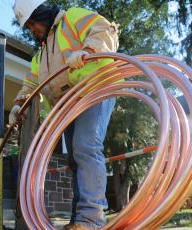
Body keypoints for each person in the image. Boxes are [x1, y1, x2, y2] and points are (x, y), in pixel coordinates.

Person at [10, 1, 119, 229]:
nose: (32, 30)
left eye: (32, 23)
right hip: (68, 107)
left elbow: (103, 30)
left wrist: (87, 51)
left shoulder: (72, 18)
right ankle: (78, 220)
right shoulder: (41, 55)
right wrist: (19, 104)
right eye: (28, 27)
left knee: (85, 147)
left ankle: (91, 220)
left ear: (43, 13)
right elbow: (31, 83)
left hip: (94, 89)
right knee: (75, 159)